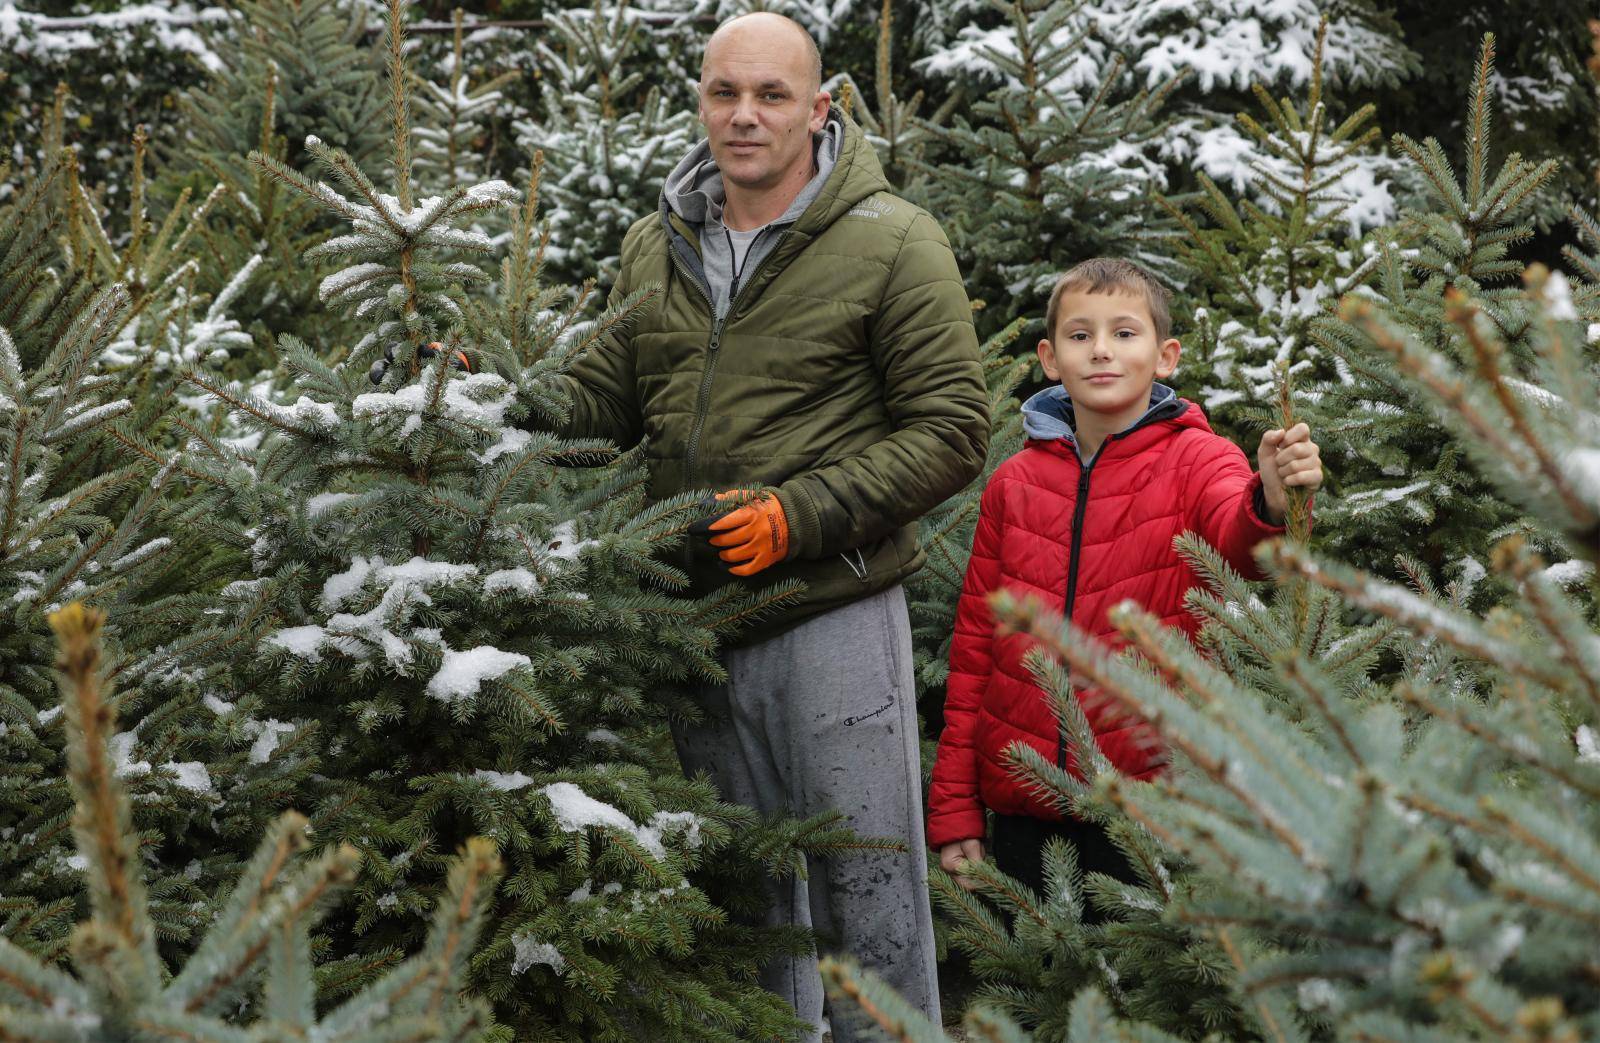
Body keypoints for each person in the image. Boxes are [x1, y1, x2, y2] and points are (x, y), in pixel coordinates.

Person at [541, 11, 989, 1039]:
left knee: (861, 881)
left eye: (771, 95)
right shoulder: (660, 241)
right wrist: (490, 399)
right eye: (723, 93)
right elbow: (601, 404)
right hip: (697, 618)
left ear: (818, 108)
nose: (743, 116)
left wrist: (799, 516)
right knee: (741, 890)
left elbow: (953, 427)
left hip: (829, 602)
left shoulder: (892, 242)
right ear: (700, 99)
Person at [925, 258, 1323, 906]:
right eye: (1080, 336)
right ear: (1050, 358)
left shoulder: (1200, 459)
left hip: (1148, 799)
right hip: (1026, 801)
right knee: (1036, 987)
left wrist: (1273, 503)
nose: (1102, 350)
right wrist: (954, 808)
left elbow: (1237, 548)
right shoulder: (1014, 484)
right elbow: (972, 653)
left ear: (1165, 356)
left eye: (1124, 333)